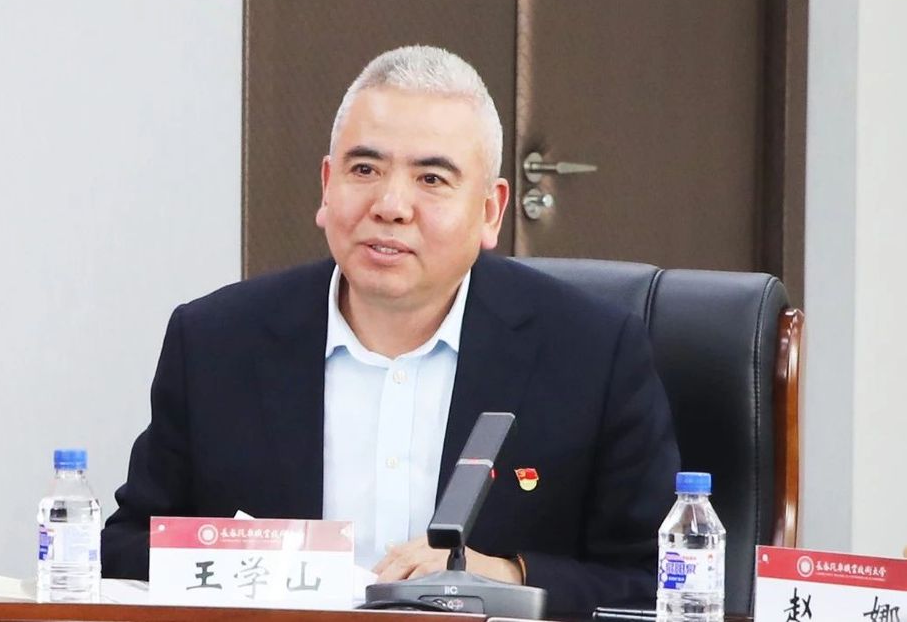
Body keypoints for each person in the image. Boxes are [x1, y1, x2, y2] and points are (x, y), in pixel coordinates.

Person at [101, 45, 680, 613]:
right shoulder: (215, 341)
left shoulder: (592, 354)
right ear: (327, 185)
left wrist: (506, 575)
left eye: (431, 178)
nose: (391, 205)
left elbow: (661, 579)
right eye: (364, 170)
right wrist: (254, 561)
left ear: (490, 211)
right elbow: (126, 549)